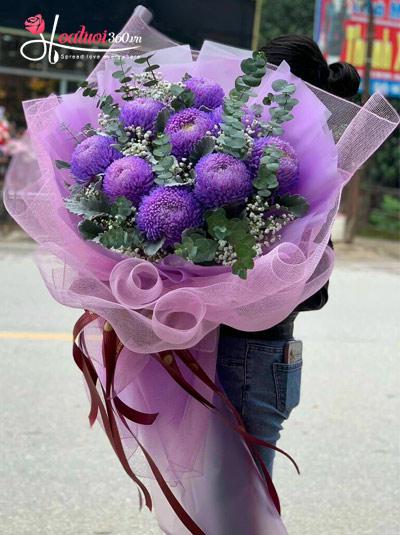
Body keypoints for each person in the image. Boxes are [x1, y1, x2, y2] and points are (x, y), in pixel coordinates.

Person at [217, 34, 360, 476]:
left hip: (252, 360)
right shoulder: (265, 155)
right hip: (256, 357)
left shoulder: (294, 166)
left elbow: (314, 288)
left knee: (240, 509)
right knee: (230, 508)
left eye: (261, 82)